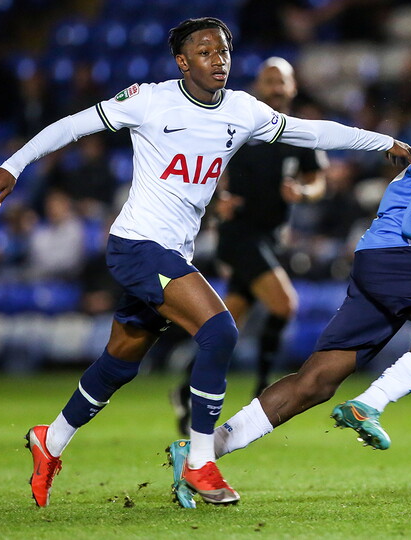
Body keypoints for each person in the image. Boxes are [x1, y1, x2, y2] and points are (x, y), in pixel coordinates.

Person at [0, 17, 411, 508]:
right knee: (220, 331)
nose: (218, 60)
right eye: (204, 52)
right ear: (182, 62)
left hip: (171, 252)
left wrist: (382, 142)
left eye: (223, 51)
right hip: (137, 246)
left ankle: (49, 441)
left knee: (120, 361)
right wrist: (12, 164)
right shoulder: (150, 99)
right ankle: (201, 460)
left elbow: (310, 133)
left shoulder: (244, 110)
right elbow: (72, 125)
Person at [166, 65, 411, 508]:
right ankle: (370, 403)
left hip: (384, 260)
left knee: (316, 381)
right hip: (396, 255)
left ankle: (200, 451)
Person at [169, 56, 328, 435]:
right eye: (268, 80)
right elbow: (203, 162)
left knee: (228, 325)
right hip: (239, 235)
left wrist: (304, 192)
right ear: (259, 85)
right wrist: (216, 196)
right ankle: (263, 393)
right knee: (284, 304)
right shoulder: (241, 123)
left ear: (292, 88)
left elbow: (318, 179)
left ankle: (183, 390)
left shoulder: (298, 132)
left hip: (271, 240)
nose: (275, 87)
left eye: (281, 81)